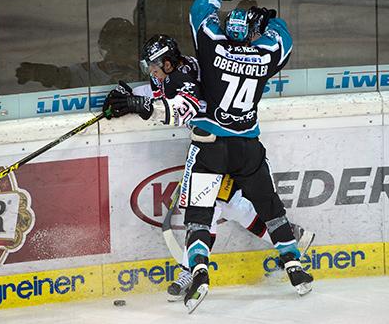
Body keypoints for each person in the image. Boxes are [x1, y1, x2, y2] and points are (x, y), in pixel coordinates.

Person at [102, 34, 315, 304]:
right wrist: (131, 97)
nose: (151, 71)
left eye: (154, 65)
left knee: (207, 210)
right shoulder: (176, 70)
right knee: (229, 205)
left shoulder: (187, 74)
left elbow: (183, 107)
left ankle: (191, 270)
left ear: (168, 63)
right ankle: (290, 241)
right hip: (234, 146)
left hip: (214, 147)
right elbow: (160, 93)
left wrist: (140, 106)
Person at [175, 0, 315, 312]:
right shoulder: (264, 55)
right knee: (270, 208)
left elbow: (200, 15)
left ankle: (199, 271)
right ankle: (293, 263)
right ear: (251, 34)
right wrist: (268, 22)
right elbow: (283, 39)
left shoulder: (212, 46)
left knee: (199, 215)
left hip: (211, 146)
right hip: (248, 149)